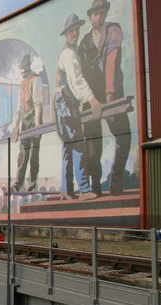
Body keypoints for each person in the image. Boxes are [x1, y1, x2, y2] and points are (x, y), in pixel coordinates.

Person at [78, 0, 131, 196]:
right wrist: (88, 100)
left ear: (105, 13)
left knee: (123, 135)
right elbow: (80, 73)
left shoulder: (113, 31)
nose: (97, 17)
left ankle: (116, 178)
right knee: (92, 142)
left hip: (112, 93)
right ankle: (95, 184)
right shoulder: (84, 42)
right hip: (91, 97)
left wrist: (109, 97)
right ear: (90, 15)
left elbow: (112, 62)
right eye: (94, 13)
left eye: (101, 13)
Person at [55, 13, 102, 201]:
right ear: (66, 34)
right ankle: (83, 189)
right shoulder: (68, 54)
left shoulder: (69, 52)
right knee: (77, 145)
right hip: (67, 103)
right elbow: (76, 81)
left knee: (67, 146)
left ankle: (66, 189)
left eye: (76, 30)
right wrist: (92, 100)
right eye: (71, 31)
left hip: (63, 104)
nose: (74, 33)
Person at [11, 54, 46, 193]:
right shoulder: (22, 82)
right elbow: (19, 108)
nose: (23, 74)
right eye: (21, 71)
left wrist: (37, 124)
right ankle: (18, 183)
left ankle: (32, 182)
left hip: (34, 117)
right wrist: (16, 126)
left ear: (28, 68)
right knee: (22, 153)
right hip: (25, 119)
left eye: (25, 71)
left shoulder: (36, 80)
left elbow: (38, 103)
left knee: (33, 153)